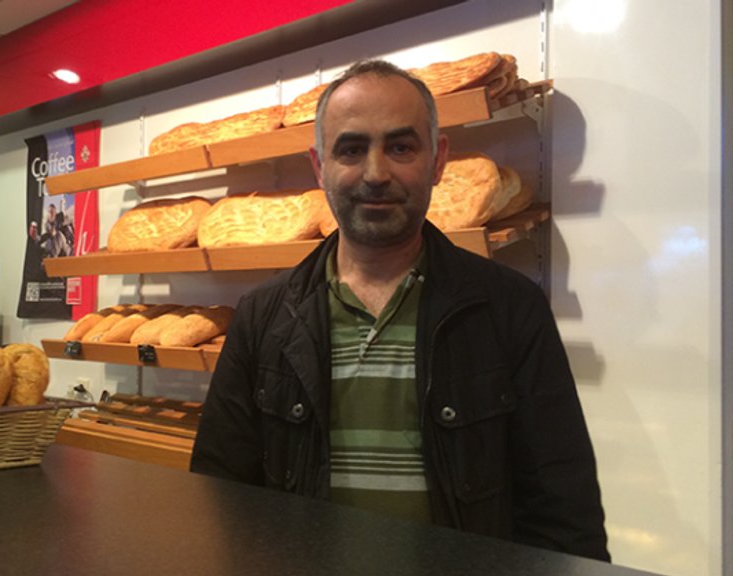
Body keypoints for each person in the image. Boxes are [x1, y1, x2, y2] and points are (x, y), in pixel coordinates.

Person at [189, 59, 610, 562]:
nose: (376, 173)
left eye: (401, 147)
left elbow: (564, 517)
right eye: (351, 149)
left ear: (437, 160)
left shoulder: (510, 310)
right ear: (320, 167)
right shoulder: (262, 317)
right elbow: (219, 499)